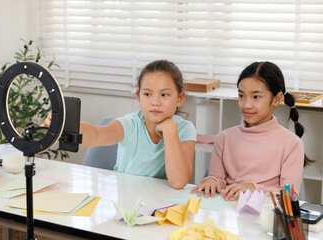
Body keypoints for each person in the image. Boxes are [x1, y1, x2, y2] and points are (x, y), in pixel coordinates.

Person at [42, 60, 196, 189]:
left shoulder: (185, 129)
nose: (155, 102)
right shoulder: (131, 124)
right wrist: (65, 125)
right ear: (139, 96)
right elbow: (97, 135)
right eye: (147, 94)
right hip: (126, 201)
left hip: (160, 205)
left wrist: (170, 130)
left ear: (180, 98)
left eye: (164, 95)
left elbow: (179, 182)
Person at [191, 61, 313, 201]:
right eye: (241, 96)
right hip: (228, 214)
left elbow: (289, 196)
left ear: (277, 99)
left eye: (256, 97)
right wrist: (211, 181)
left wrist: (253, 188)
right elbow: (217, 180)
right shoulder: (224, 138)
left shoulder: (292, 144)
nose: (247, 105)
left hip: (265, 216)